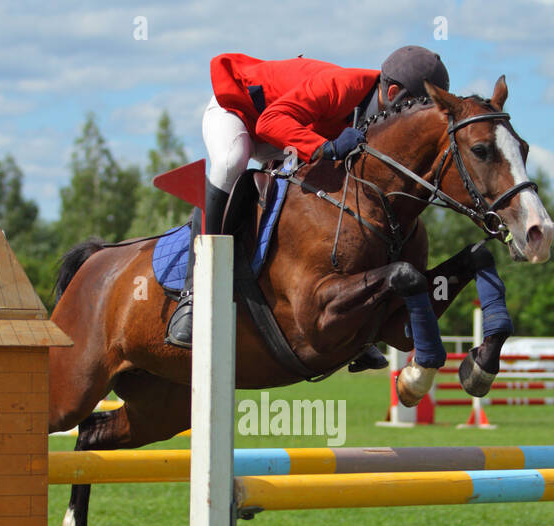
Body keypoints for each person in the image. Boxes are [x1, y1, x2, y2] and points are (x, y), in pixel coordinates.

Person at [166, 46, 457, 361]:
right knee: (230, 161)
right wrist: (324, 147)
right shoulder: (339, 86)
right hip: (240, 112)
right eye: (415, 107)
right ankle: (192, 294)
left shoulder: (380, 115)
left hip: (283, 137)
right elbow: (268, 124)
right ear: (394, 92)